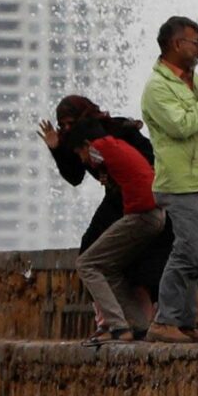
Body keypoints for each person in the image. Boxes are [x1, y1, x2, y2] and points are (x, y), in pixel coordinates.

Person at [46, 96, 169, 334]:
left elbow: (145, 161)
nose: (67, 130)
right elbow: (75, 175)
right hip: (117, 202)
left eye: (71, 123)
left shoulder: (112, 136)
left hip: (143, 202)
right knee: (90, 249)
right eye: (64, 126)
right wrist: (57, 150)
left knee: (135, 265)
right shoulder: (86, 142)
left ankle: (131, 323)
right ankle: (117, 322)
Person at [140, 16, 198, 343]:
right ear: (176, 44)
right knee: (185, 251)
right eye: (194, 42)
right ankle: (165, 320)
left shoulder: (193, 81)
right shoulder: (157, 88)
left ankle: (184, 322)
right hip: (180, 184)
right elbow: (183, 125)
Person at [69, 120, 166, 342]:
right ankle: (139, 326)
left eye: (79, 153)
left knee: (86, 263)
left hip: (142, 215)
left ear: (86, 144)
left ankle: (118, 327)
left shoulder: (99, 147)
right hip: (157, 214)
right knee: (109, 269)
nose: (83, 159)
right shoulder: (115, 144)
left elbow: (93, 157)